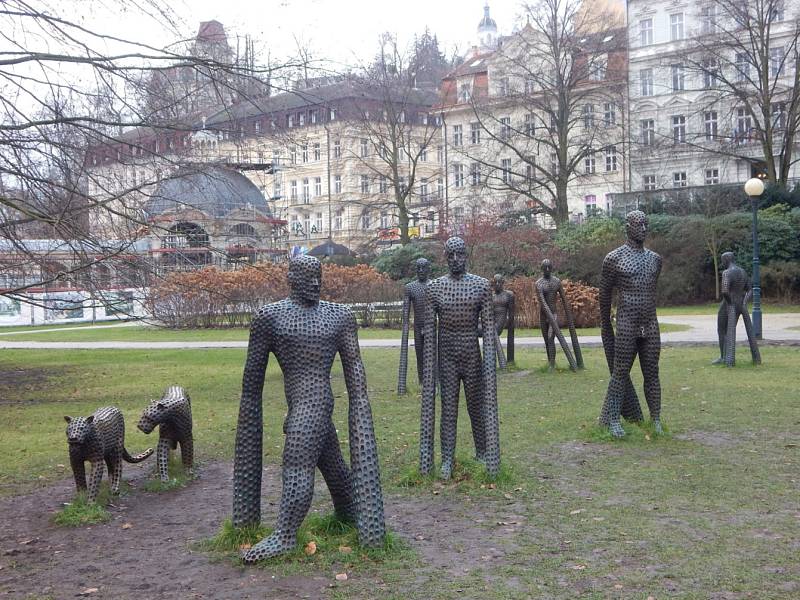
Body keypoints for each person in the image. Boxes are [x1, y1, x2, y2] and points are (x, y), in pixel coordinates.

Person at [232, 255, 385, 562]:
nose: (315, 283)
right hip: (300, 404)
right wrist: (248, 425)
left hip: (315, 399)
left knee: (297, 465)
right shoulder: (270, 317)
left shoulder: (338, 316)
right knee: (331, 461)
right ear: (291, 278)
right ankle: (351, 512)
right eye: (307, 277)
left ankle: (285, 535)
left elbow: (355, 370)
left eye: (319, 276)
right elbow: (251, 384)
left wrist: (361, 416)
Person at [420, 237, 500, 479]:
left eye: (460, 255)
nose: (456, 260)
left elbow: (488, 328)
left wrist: (489, 365)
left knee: (477, 406)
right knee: (449, 409)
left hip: (471, 355)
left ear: (466, 256)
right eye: (451, 255)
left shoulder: (481, 286)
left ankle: (483, 452)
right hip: (447, 357)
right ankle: (446, 459)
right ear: (445, 257)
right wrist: (429, 372)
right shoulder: (434, 288)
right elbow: (429, 334)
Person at [599, 211, 663, 438]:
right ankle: (613, 419)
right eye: (639, 225)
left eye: (646, 224)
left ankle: (655, 419)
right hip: (626, 323)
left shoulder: (655, 259)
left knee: (652, 372)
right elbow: (604, 295)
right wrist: (606, 326)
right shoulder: (614, 259)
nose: (644, 229)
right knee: (620, 372)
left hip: (650, 322)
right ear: (628, 227)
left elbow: (651, 292)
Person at [713, 251, 761, 367]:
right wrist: (744, 302)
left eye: (722, 260)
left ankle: (725, 357)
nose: (722, 263)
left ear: (726, 260)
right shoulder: (742, 272)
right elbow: (750, 289)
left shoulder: (727, 272)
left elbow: (725, 290)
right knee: (731, 329)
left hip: (729, 303)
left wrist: (729, 303)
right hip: (740, 303)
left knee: (721, 330)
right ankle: (756, 358)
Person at [535, 259, 583, 371]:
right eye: (545, 267)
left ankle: (551, 365)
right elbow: (542, 302)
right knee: (546, 340)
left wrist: (569, 315)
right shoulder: (538, 284)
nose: (547, 269)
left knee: (550, 337)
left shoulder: (556, 282)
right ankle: (551, 362)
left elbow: (564, 299)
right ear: (542, 269)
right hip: (543, 315)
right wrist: (548, 317)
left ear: (551, 268)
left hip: (554, 313)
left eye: (549, 267)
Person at [398, 258, 432, 394]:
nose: (421, 271)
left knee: (432, 354)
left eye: (424, 268)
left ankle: (434, 380)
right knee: (420, 354)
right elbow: (405, 312)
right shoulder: (410, 287)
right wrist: (405, 327)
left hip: (431, 325)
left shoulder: (434, 285)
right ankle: (422, 380)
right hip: (418, 326)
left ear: (429, 269)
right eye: (418, 268)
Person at [491, 274, 515, 368]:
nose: (497, 284)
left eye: (499, 282)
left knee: (492, 333)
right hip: (491, 322)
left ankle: (502, 363)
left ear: (502, 283)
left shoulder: (509, 295)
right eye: (495, 282)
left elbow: (511, 313)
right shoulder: (490, 296)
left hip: (501, 321)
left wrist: (508, 322)